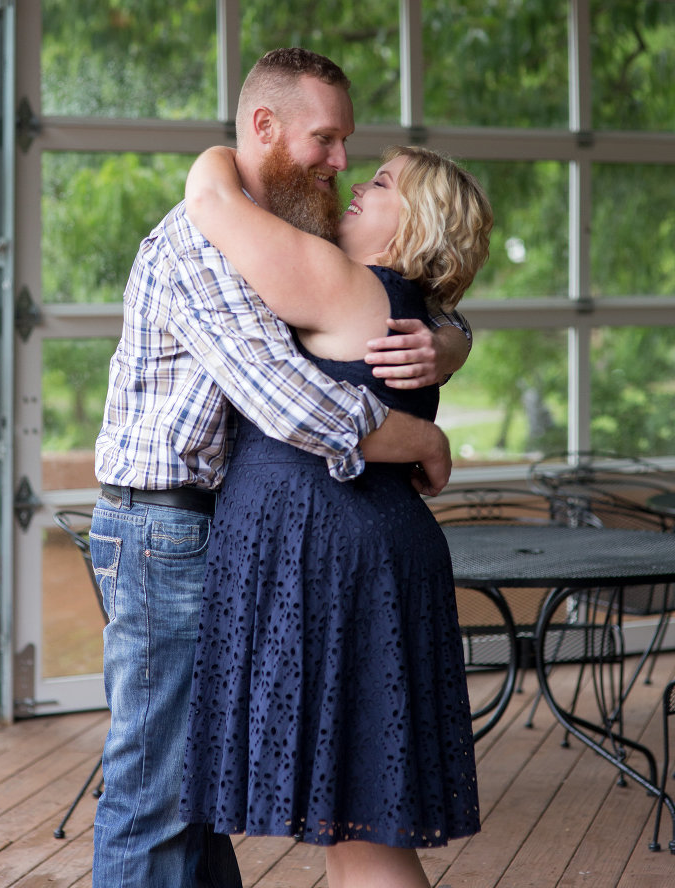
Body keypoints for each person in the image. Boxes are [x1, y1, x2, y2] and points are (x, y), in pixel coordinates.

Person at [91, 48, 472, 888]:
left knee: (197, 802)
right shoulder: (207, 239)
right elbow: (294, 406)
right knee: (155, 800)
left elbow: (400, 289)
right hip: (163, 526)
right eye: (328, 141)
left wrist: (450, 339)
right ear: (263, 128)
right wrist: (425, 440)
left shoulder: (282, 234)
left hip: (216, 531)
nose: (340, 164)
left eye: (354, 155)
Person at [180, 142, 493, 888]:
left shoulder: (343, 284)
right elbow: (448, 329)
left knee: (363, 839)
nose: (356, 182)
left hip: (340, 561)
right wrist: (454, 343)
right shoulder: (409, 305)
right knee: (354, 834)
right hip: (364, 552)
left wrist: (237, 146)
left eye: (381, 183)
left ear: (415, 221)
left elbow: (212, 200)